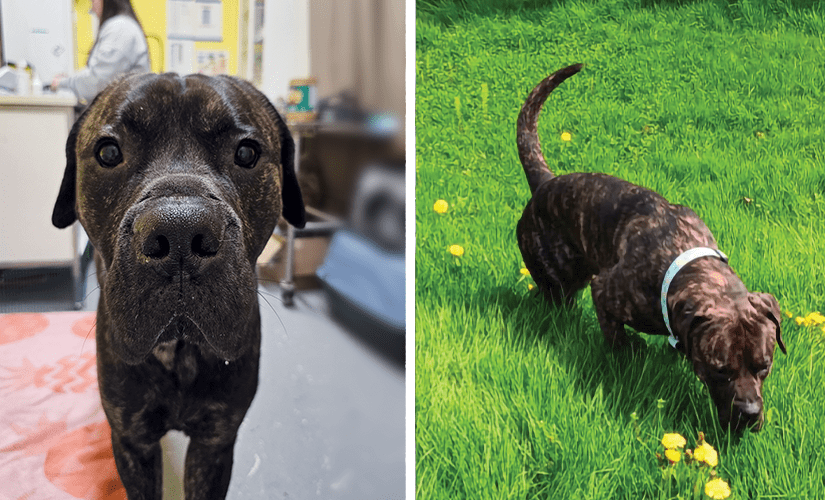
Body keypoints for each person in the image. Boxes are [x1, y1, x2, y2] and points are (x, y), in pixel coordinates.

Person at [52, 0, 150, 104]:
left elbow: (98, 81)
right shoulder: (122, 26)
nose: (91, 7)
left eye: (93, 0)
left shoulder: (120, 29)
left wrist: (62, 83)